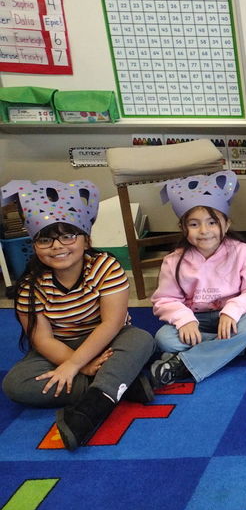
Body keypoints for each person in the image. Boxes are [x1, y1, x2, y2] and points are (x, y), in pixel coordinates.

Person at [1, 179, 155, 451]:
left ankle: (94, 406)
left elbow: (112, 323)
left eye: (68, 235)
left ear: (86, 240)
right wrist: (78, 364)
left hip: (109, 340)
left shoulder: (105, 266)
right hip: (60, 348)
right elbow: (42, 340)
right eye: (45, 239)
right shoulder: (30, 285)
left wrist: (74, 367)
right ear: (35, 244)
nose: (57, 246)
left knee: (142, 339)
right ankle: (121, 382)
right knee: (16, 384)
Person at [149, 171, 246, 386]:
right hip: (197, 321)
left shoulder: (242, 251)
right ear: (183, 228)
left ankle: (183, 364)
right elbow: (164, 300)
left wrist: (232, 310)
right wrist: (184, 319)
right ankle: (245, 346)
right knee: (164, 338)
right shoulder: (173, 260)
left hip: (234, 318)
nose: (204, 231)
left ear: (226, 224)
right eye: (194, 224)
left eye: (212, 223)